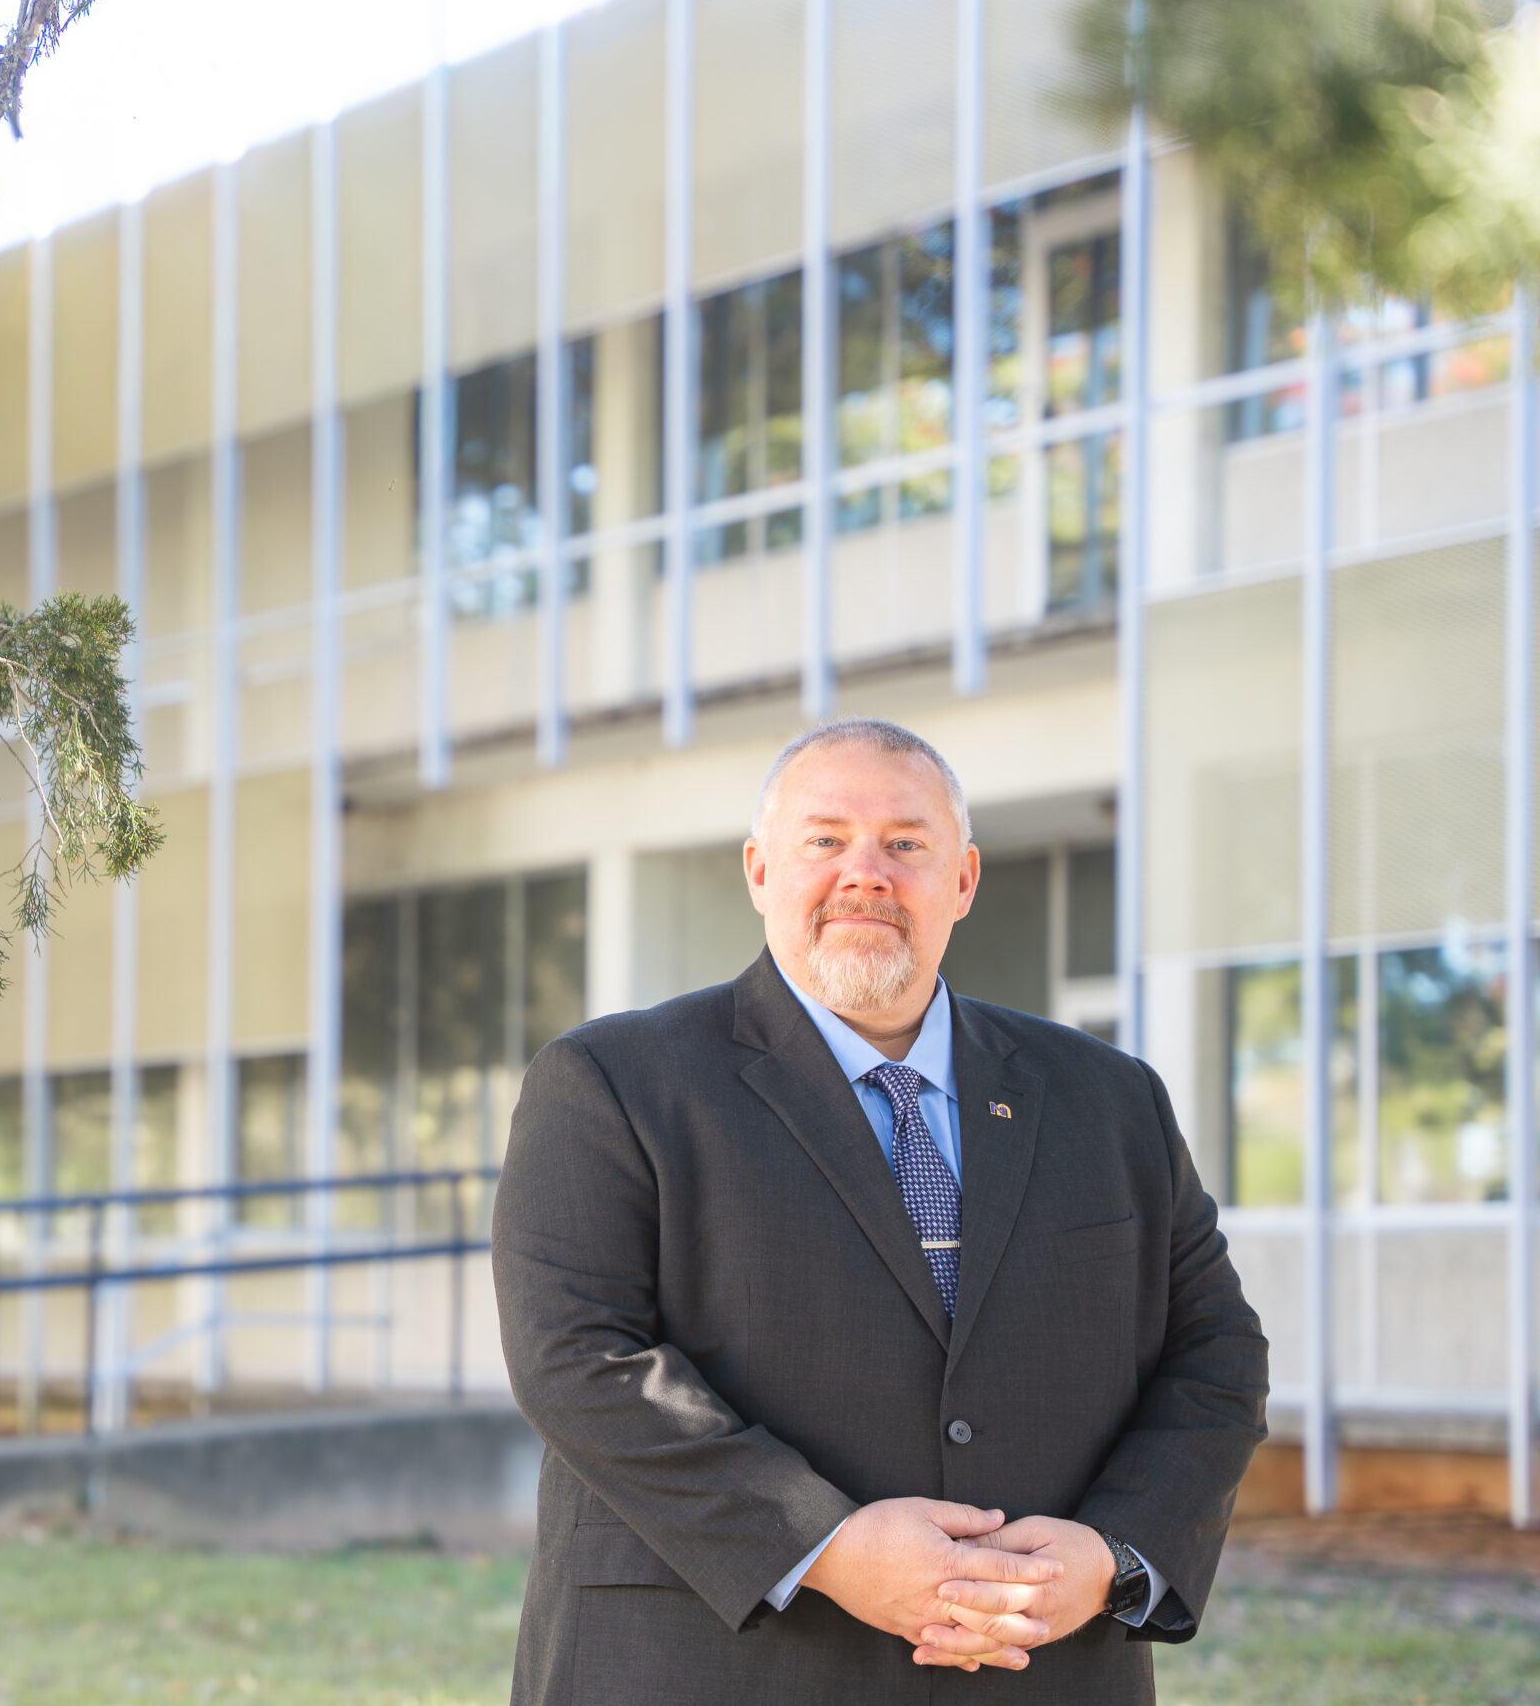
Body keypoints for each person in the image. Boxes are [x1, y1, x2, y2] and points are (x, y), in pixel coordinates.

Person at [492, 717, 1268, 1704]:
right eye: (825, 839)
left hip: (1035, 1667)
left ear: (963, 880)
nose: (865, 873)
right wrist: (822, 1543)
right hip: (706, 1665)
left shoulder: (1111, 1100)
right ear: (760, 870)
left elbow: (1216, 1354)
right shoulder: (611, 1081)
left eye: (906, 843)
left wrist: (1113, 1554)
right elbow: (576, 1358)